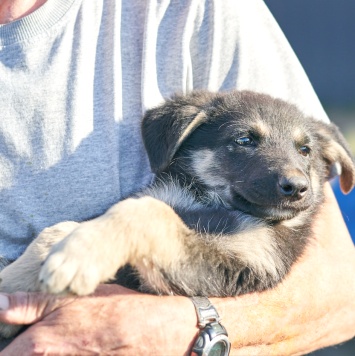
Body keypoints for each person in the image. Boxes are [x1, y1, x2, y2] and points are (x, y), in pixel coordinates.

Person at [0, 0, 354, 354]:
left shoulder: (194, 11)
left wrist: (190, 330)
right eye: (244, 141)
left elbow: (340, 297)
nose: (292, 177)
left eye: (304, 152)